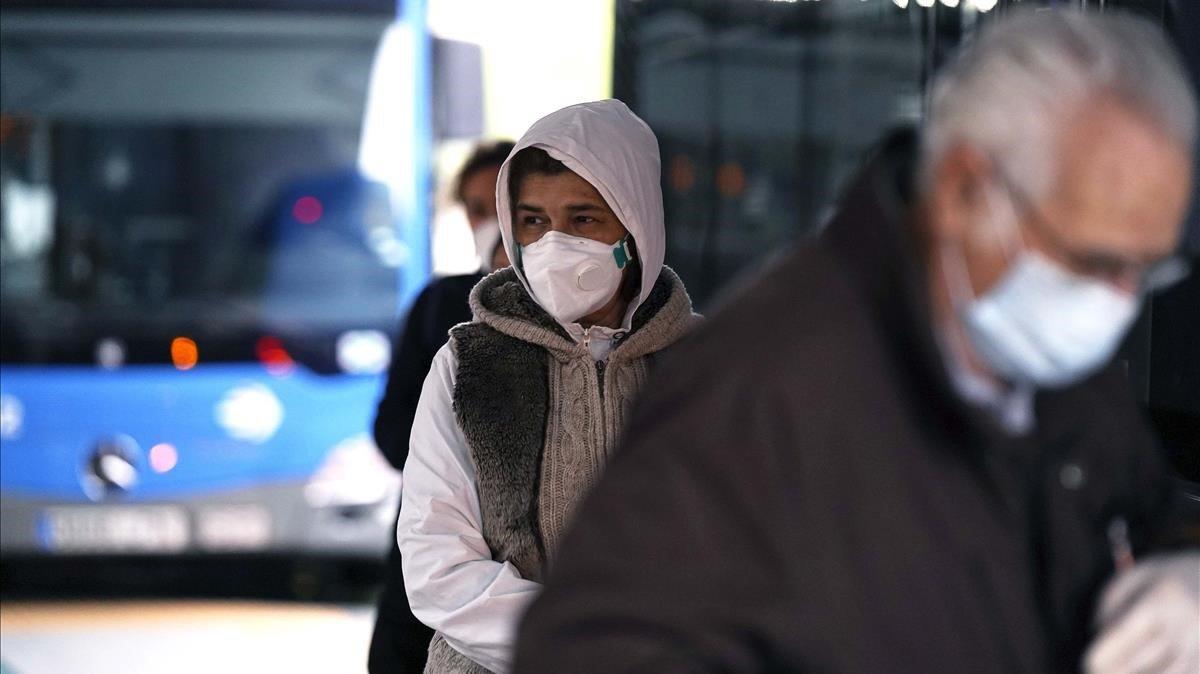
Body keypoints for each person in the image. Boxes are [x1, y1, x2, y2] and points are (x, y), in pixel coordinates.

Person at [514, 11, 1199, 674]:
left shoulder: (1056, 361)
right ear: (965, 191)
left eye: (1146, 267)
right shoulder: (763, 389)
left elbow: (1147, 510)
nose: (1117, 301)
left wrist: (1184, 579)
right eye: (1094, 262)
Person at [396, 99, 699, 674]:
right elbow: (438, 566)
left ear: (635, 228)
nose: (555, 243)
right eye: (534, 220)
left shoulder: (707, 368)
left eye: (584, 219)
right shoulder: (470, 366)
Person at [369, 140, 513, 674]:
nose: (491, 223)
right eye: (476, 210)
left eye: (500, 205)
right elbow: (388, 431)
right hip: (428, 541)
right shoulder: (439, 306)